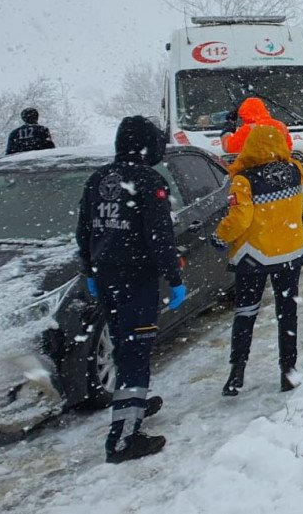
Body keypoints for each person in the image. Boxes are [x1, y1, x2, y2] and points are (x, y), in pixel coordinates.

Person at [75, 116, 186, 463]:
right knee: (136, 350)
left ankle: (133, 405)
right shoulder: (148, 180)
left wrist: (90, 269)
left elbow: (83, 231)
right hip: (136, 279)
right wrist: (175, 277)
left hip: (107, 277)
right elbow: (160, 237)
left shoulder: (98, 179)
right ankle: (123, 439)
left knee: (125, 346)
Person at [213, 124, 303, 396]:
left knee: (246, 312)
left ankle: (236, 373)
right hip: (290, 254)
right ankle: (288, 372)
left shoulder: (243, 181)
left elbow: (239, 218)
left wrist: (220, 237)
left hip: (254, 257)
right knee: (287, 312)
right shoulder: (295, 172)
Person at [220, 97, 293, 155]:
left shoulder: (249, 129)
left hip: (255, 170)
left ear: (244, 114)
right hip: (277, 169)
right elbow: (288, 148)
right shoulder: (281, 125)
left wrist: (227, 131)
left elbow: (228, 148)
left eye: (241, 117)